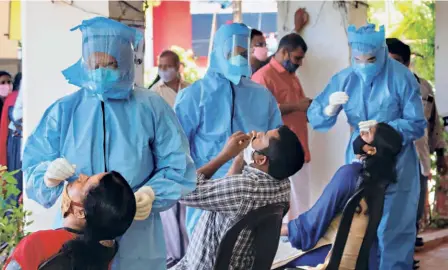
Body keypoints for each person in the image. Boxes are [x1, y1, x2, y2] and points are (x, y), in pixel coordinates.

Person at [22, 17, 196, 270]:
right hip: (75, 238)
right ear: (84, 63)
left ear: (126, 63)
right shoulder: (64, 111)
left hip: (137, 233)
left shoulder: (150, 107)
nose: (101, 71)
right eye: (94, 64)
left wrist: (151, 194)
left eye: (111, 64)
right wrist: (47, 178)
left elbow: (178, 164)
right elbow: (34, 164)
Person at [307, 23, 426, 269]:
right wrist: (328, 108)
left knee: (394, 232)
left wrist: (384, 129)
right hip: (358, 161)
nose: (363, 65)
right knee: (359, 228)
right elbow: (316, 116)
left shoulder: (401, 77)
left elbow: (416, 124)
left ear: (381, 52)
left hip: (398, 164)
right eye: (358, 59)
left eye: (370, 59)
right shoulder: (345, 78)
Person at [174, 23, 283, 236]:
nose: (239, 59)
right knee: (208, 252)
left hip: (254, 191)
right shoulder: (195, 96)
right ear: (217, 53)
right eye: (233, 53)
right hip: (208, 193)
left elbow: (277, 142)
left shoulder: (262, 95)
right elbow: (177, 150)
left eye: (244, 54)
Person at [172, 126, 305, 270]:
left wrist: (225, 155)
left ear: (261, 159)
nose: (257, 133)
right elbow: (231, 192)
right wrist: (240, 159)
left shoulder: (244, 189)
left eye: (262, 136)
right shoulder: (283, 187)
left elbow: (183, 192)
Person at [280, 122, 403, 270]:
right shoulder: (380, 180)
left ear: (371, 150)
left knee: (269, 249)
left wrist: (278, 228)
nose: (360, 134)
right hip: (362, 260)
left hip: (333, 258)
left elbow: (311, 225)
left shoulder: (350, 174)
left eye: (367, 133)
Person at [3, 171, 136, 270]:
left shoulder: (37, 244)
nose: (81, 176)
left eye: (85, 181)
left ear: (80, 212)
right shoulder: (106, 252)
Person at [386, 38, 447, 238]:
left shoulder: (423, 88)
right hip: (389, 162)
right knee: (391, 214)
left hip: (419, 160)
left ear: (406, 63)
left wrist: (440, 154)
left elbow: (434, 123)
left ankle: (406, 255)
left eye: (395, 61)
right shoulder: (379, 89)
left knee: (415, 211)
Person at [252, 33, 312, 221]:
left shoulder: (291, 76)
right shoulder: (263, 76)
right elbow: (261, 112)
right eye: (297, 58)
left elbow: (299, 105)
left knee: (302, 201)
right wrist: (297, 106)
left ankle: (301, 241)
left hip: (299, 146)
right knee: (288, 205)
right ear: (284, 52)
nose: (300, 63)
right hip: (279, 152)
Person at [149, 50, 190, 267]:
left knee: (187, 210)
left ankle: (188, 256)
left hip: (189, 157)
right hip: (165, 159)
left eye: (168, 66)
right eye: (161, 66)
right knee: (169, 212)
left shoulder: (191, 89)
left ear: (178, 66)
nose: (164, 70)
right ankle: (174, 259)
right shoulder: (154, 93)